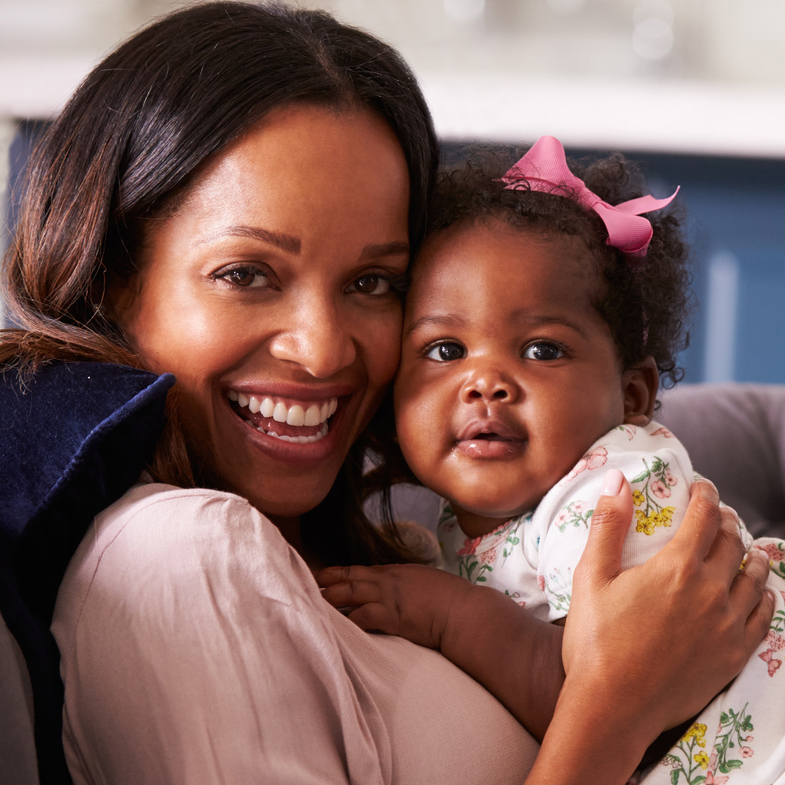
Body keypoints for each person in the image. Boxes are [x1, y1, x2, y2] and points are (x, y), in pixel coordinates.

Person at [0, 4, 773, 784]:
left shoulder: (408, 522)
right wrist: (614, 706)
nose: (324, 348)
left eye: (373, 281)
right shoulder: (184, 558)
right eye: (246, 274)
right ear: (112, 278)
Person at [319, 137, 785, 782]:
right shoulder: (462, 524)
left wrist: (449, 615)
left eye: (541, 350)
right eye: (444, 350)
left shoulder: (616, 491)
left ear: (632, 395)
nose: (485, 382)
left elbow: (607, 699)